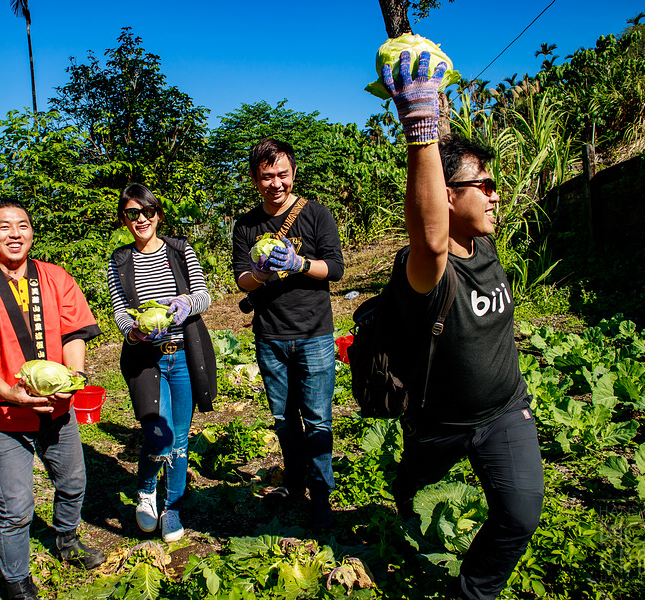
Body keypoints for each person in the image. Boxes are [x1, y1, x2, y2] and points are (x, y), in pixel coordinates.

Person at [381, 51, 544, 600]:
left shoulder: (488, 245)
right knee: (417, 478)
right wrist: (422, 128)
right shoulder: (425, 271)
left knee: (520, 516)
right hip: (441, 423)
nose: (496, 193)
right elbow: (430, 236)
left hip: (504, 410)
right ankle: (405, 484)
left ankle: (470, 594)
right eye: (484, 185)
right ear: (448, 195)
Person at [0, 198, 105, 600]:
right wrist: (10, 394)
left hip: (57, 407)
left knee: (73, 483)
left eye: (23, 226)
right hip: (4, 415)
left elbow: (74, 334)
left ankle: (66, 541)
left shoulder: (55, 278)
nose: (15, 234)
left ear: (32, 233)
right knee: (16, 505)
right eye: (4, 227)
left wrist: (76, 376)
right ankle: (15, 578)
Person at [231, 138, 345, 529]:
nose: (275, 183)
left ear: (293, 174)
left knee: (317, 419)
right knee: (284, 418)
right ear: (254, 178)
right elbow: (242, 279)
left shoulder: (316, 214)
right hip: (270, 335)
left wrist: (299, 263)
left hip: (314, 333)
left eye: (282, 174)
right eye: (266, 176)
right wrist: (259, 274)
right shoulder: (245, 225)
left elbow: (335, 269)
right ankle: (295, 481)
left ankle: (321, 494)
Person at [107, 183, 216, 543]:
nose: (142, 219)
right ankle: (145, 490)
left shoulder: (181, 249)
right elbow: (120, 311)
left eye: (147, 212)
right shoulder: (119, 260)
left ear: (158, 214)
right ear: (125, 219)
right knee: (159, 436)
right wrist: (135, 333)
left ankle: (172, 507)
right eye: (133, 213)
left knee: (180, 439)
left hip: (183, 355)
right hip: (146, 359)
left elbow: (203, 294)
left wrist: (187, 305)